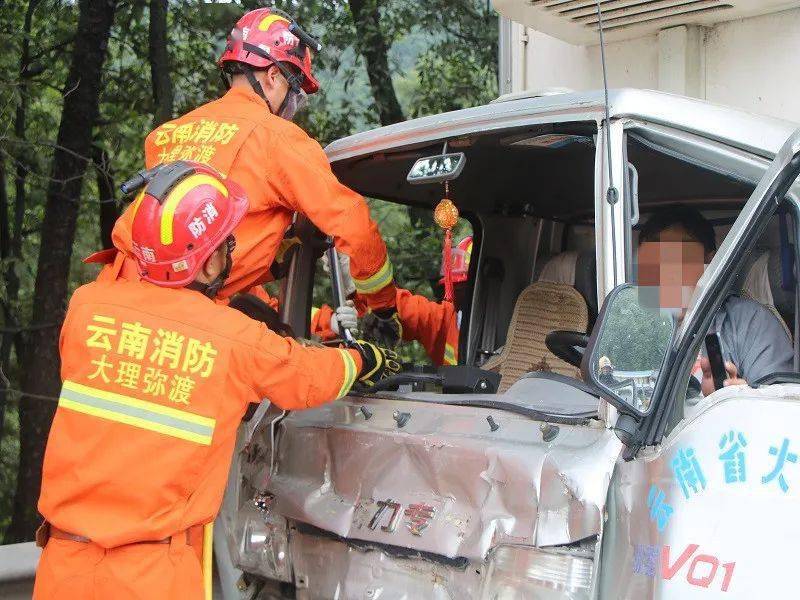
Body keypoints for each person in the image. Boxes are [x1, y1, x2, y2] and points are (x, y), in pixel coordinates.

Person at [33, 163, 397, 599]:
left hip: (62, 564)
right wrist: (361, 359)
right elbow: (305, 375)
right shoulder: (231, 337)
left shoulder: (86, 308)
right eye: (227, 246)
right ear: (206, 265)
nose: (232, 255)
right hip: (149, 574)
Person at [92, 7, 401, 342]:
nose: (294, 106)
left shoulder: (169, 134)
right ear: (273, 77)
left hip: (113, 302)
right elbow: (354, 225)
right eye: (295, 92)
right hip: (179, 318)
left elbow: (194, 240)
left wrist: (272, 256)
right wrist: (383, 309)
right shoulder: (278, 139)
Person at [636, 205, 793, 396]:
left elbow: (779, 408)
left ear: (709, 261)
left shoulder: (751, 322)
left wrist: (738, 398)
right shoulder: (632, 326)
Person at [312, 237, 472, 366]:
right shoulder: (444, 319)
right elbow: (394, 306)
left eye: (464, 288)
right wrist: (355, 284)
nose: (459, 297)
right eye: (456, 288)